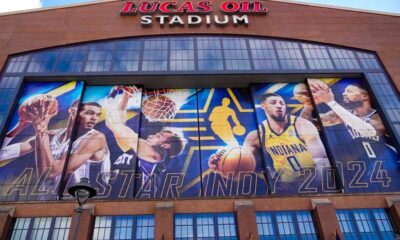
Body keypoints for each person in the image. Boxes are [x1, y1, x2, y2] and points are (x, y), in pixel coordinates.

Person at [209, 93, 330, 184]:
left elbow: (322, 160)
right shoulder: (256, 135)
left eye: (281, 103)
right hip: (285, 186)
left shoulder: (302, 125)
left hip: (313, 181)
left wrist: (316, 185)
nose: (279, 106)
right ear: (263, 106)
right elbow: (244, 165)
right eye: (273, 102)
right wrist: (221, 166)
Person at [0, 97, 110, 191]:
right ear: (72, 111)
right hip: (47, 204)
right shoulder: (52, 135)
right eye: (89, 113)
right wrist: (20, 125)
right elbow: (2, 154)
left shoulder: (96, 138)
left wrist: (41, 132)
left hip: (79, 203)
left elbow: (51, 173)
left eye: (98, 115)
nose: (95, 118)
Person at [105, 86, 187, 185]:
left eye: (159, 136)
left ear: (165, 145)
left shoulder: (150, 152)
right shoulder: (146, 155)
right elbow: (119, 126)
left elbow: (112, 122)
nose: (152, 135)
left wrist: (111, 97)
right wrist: (126, 96)